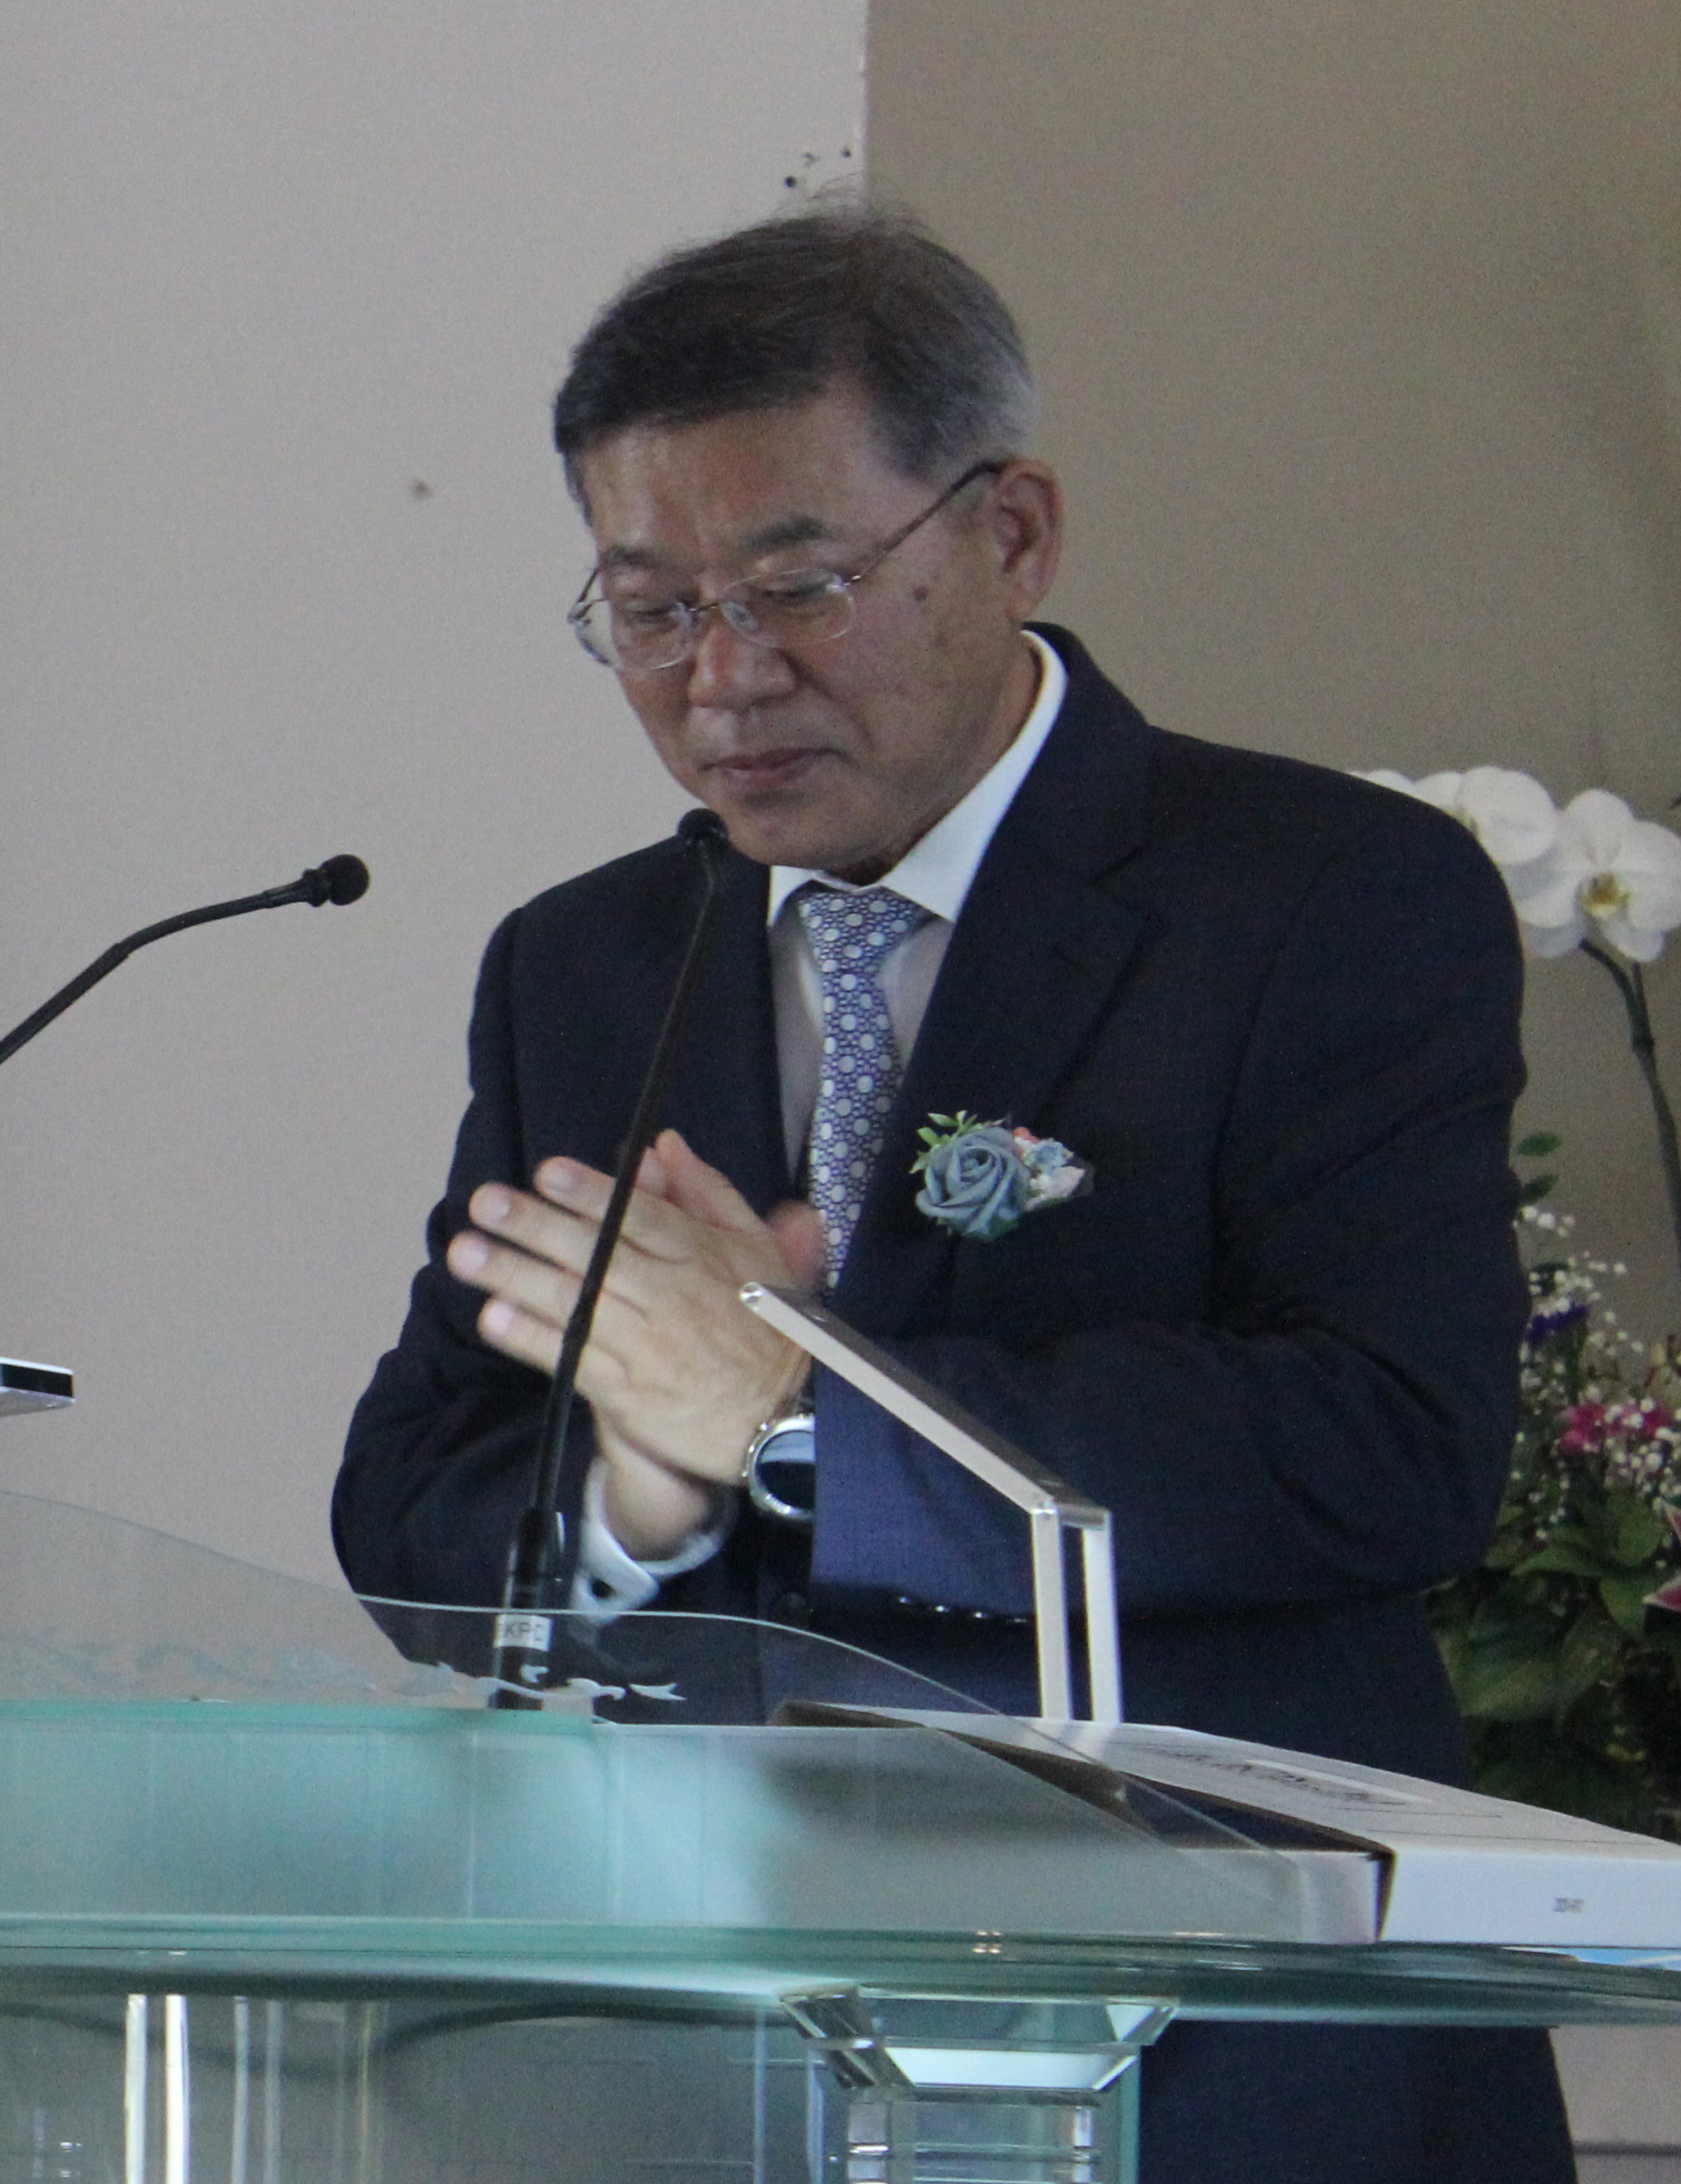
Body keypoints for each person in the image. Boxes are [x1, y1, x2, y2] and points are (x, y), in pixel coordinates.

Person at [328, 207, 1570, 2179]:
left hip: (1225, 2052)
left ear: (1013, 533)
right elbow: (412, 1495)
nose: (722, 680)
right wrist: (640, 1497)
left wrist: (795, 1417)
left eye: (796, 586)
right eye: (648, 609)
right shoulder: (588, 965)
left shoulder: (1322, 895)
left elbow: (1391, 1440)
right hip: (719, 2057)